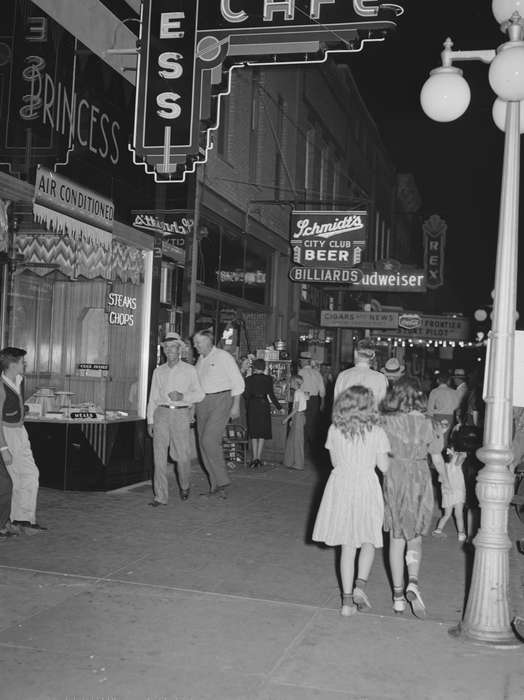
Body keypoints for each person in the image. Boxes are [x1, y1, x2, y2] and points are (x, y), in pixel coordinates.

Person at [312, 385, 390, 616]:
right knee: (368, 539)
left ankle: (346, 603)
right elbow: (384, 467)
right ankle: (360, 586)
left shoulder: (335, 430)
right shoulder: (377, 432)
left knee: (347, 545)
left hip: (342, 485)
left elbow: (335, 462)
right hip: (366, 484)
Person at [380, 377, 440, 618]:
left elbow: (379, 455)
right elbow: (436, 458)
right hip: (419, 477)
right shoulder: (430, 423)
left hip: (395, 476)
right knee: (414, 536)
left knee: (396, 538)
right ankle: (412, 580)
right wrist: (445, 480)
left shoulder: (386, 422)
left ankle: (397, 598)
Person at [146, 333, 205, 506]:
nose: (170, 350)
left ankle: (185, 485)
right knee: (159, 457)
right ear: (163, 350)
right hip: (161, 414)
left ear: (179, 349)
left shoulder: (190, 370)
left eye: (173, 347)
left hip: (180, 414)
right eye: (167, 347)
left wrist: (182, 396)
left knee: (183, 456)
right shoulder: (158, 371)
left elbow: (200, 395)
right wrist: (150, 420)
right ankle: (160, 496)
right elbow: (153, 398)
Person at [193, 329, 245, 498]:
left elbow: (238, 382)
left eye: (198, 342)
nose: (195, 346)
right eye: (195, 343)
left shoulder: (223, 357)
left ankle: (223, 481)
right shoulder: (200, 361)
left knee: (209, 440)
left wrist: (235, 406)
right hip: (202, 402)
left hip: (221, 400)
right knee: (202, 444)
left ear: (208, 342)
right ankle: (214, 485)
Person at [0, 347, 45, 534]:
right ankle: (17, 520)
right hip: (7, 434)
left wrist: (23, 410)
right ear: (12, 364)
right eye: (21, 361)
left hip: (20, 432)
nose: (24, 364)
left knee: (29, 475)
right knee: (17, 478)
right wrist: (3, 448)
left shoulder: (18, 380)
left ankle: (22, 519)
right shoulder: (1, 386)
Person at [243, 358, 281, 468]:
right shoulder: (268, 379)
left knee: (254, 432)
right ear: (264, 367)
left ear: (254, 367)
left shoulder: (248, 379)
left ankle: (254, 458)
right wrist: (279, 407)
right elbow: (271, 395)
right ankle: (259, 458)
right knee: (262, 433)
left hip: (253, 405)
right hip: (264, 405)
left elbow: (245, 395)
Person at [334, 339, 388, 406]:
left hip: (348, 415)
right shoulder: (381, 378)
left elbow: (336, 404)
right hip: (371, 416)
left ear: (355, 353)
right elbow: (383, 405)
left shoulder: (343, 376)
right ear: (373, 356)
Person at [432, 441, 467, 542]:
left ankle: (438, 530)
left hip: (447, 493)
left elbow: (439, 480)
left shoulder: (443, 466)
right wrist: (455, 453)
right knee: (458, 514)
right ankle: (461, 534)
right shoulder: (456, 462)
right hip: (458, 492)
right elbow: (464, 455)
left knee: (447, 514)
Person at [298, 352, 325, 457]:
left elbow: (299, 388)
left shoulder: (301, 372)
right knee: (313, 424)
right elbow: (322, 390)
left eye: (301, 360)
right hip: (315, 401)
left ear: (305, 361)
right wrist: (322, 403)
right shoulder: (317, 373)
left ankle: (304, 450)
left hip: (304, 399)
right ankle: (313, 450)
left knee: (304, 424)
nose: (300, 362)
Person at [282, 374, 308, 471]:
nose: (290, 383)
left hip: (298, 416)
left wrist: (287, 418)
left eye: (291, 382)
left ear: (294, 383)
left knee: (297, 441)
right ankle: (290, 461)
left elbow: (296, 409)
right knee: (293, 439)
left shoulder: (297, 393)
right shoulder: (300, 392)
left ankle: (298, 464)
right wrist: (292, 420)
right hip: (299, 417)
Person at [427, 370, 458, 447]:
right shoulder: (454, 392)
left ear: (438, 380)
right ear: (449, 381)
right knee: (448, 441)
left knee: (437, 441)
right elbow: (457, 407)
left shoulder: (434, 392)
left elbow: (430, 410)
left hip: (437, 418)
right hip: (451, 418)